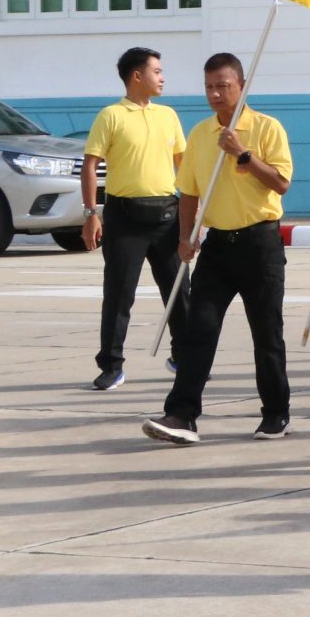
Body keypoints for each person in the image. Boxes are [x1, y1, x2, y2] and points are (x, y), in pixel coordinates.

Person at [143, 53, 293, 446]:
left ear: (241, 86)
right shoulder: (199, 134)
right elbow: (189, 190)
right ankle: (181, 413)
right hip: (217, 247)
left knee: (267, 333)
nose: (214, 93)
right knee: (199, 329)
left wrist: (242, 153)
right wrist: (186, 235)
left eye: (223, 86)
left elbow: (280, 184)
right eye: (209, 86)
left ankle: (275, 412)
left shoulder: (266, 128)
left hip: (259, 243)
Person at [79, 47, 184, 391]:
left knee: (180, 290)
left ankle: (184, 356)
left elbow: (183, 164)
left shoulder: (168, 115)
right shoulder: (111, 115)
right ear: (136, 76)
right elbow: (91, 165)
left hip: (168, 217)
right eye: (157, 70)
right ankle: (111, 366)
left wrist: (193, 211)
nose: (162, 77)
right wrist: (91, 213)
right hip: (125, 218)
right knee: (119, 294)